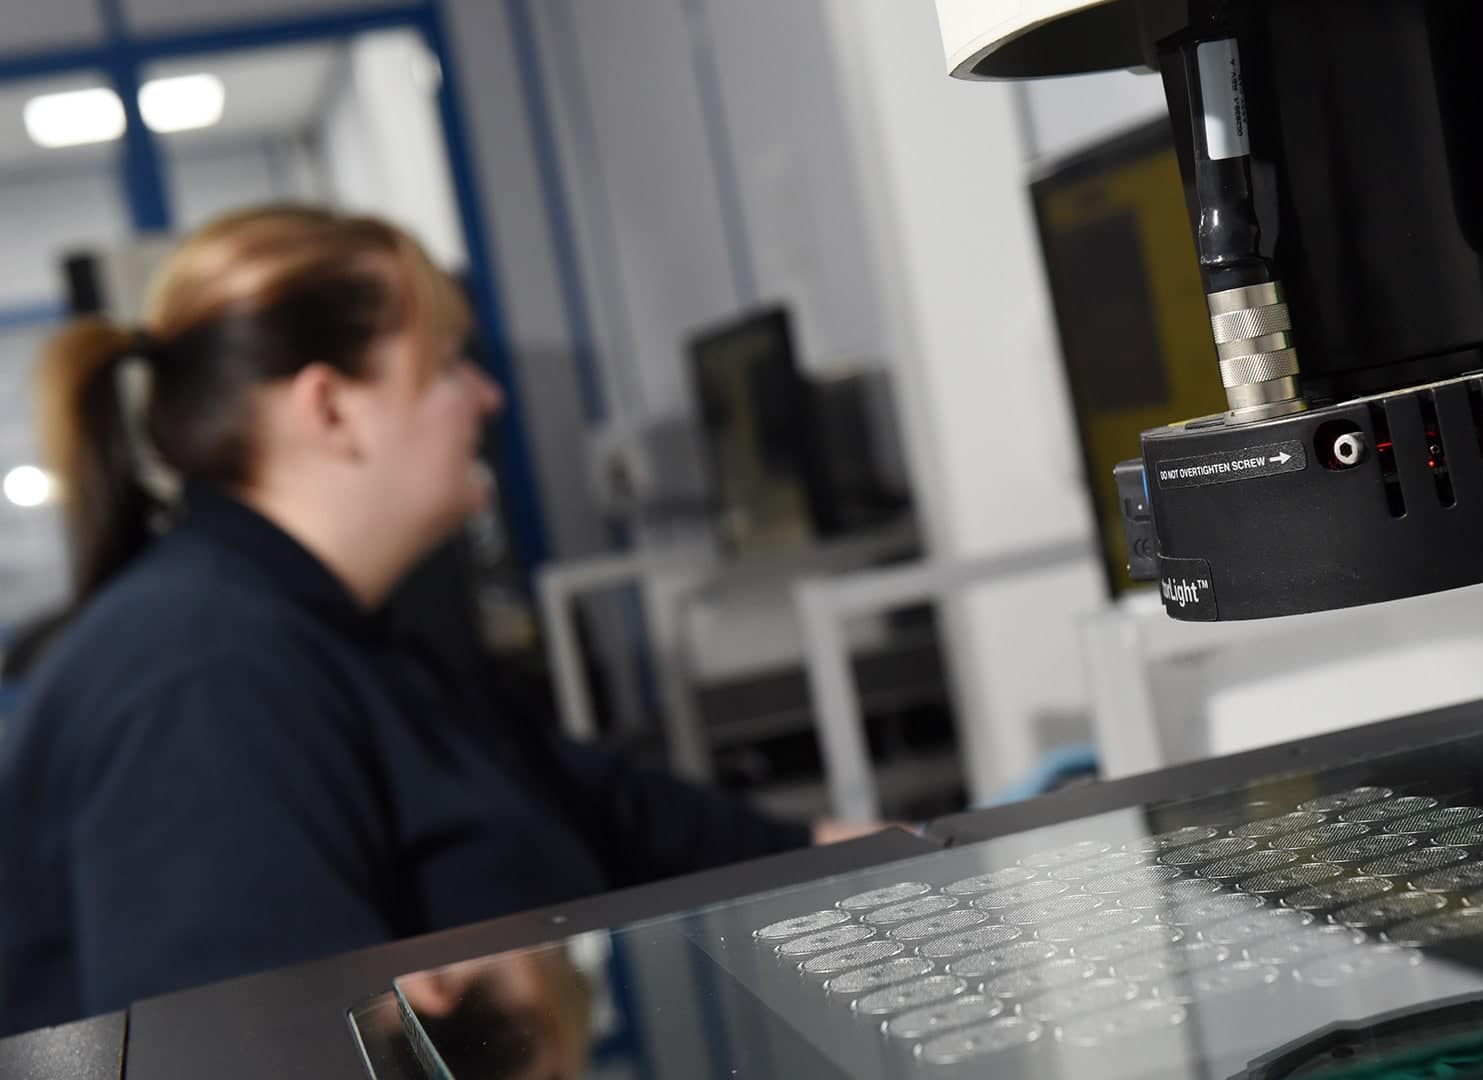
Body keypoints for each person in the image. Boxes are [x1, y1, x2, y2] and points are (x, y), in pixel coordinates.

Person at [0, 206, 869, 1035]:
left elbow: (591, 801)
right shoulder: (208, 685)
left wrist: (835, 851)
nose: (485, 398)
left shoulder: (333, 635)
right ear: (331, 409)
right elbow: (261, 1049)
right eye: (449, 361)